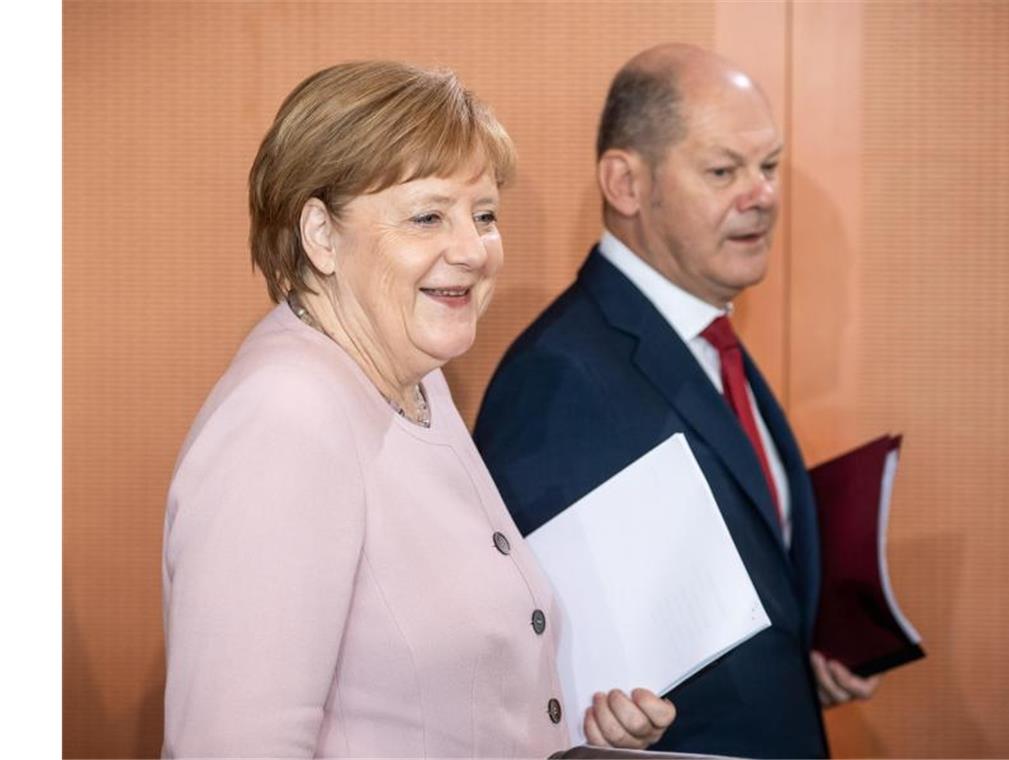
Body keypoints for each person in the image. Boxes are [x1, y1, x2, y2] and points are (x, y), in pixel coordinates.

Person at [162, 61, 675, 758]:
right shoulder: (285, 418)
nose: (472, 250)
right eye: (428, 216)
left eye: (485, 215)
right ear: (320, 235)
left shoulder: (415, 373)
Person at [475, 44, 879, 758]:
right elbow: (531, 657)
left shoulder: (706, 333)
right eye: (724, 171)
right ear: (626, 183)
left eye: (770, 166)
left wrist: (795, 656)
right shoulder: (557, 375)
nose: (763, 195)